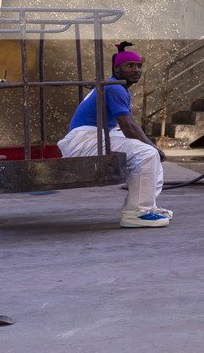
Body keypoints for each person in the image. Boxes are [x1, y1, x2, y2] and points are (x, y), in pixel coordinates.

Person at [58, 42, 171, 228]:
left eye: (139, 66)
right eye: (130, 66)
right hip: (83, 140)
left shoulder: (116, 87)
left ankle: (148, 207)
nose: (136, 70)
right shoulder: (115, 88)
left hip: (94, 135)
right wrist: (153, 147)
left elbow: (131, 125)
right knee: (147, 153)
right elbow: (128, 127)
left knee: (150, 154)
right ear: (117, 69)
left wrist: (152, 147)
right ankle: (136, 213)